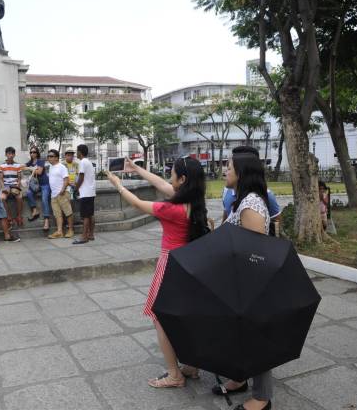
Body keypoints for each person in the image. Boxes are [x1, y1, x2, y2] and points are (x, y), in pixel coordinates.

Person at [105, 156, 209, 389]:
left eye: (172, 173)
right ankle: (191, 366)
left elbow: (138, 204)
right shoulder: (194, 201)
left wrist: (117, 184)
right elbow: (161, 184)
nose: (168, 177)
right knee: (183, 319)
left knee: (160, 320)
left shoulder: (172, 209)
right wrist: (136, 169)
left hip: (170, 265)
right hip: (187, 265)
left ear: (182, 179)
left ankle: (174, 375)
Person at [212, 151, 273, 410]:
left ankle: (262, 398)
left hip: (250, 284)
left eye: (228, 166)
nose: (225, 170)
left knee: (256, 338)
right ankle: (239, 379)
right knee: (239, 335)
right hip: (237, 281)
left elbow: (254, 253)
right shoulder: (241, 201)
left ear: (242, 173)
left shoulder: (251, 206)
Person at [221, 146, 280, 236]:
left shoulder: (250, 206)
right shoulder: (243, 199)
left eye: (229, 169)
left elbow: (255, 247)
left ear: (240, 173)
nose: (225, 173)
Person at [47, 149, 74, 239]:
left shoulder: (61, 167)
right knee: (57, 214)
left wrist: (62, 190)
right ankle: (59, 232)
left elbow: (66, 179)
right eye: (48, 156)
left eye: (51, 156)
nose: (49, 158)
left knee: (68, 212)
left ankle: (70, 230)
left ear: (56, 157)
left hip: (62, 193)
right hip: (53, 195)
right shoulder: (51, 167)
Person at [73, 144, 96, 244]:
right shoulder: (88, 162)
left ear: (80, 152)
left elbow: (81, 178)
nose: (76, 153)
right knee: (90, 214)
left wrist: (76, 188)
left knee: (85, 216)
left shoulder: (82, 162)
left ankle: (84, 237)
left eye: (77, 151)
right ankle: (91, 234)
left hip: (85, 193)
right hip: (91, 192)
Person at [25, 147, 52, 232]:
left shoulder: (40, 161)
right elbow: (22, 167)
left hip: (44, 184)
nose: (32, 154)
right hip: (35, 185)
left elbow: (39, 172)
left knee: (44, 199)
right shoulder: (30, 162)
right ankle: (35, 210)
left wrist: (30, 168)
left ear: (37, 153)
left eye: (34, 152)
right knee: (28, 193)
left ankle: (46, 221)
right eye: (31, 152)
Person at [0, 146, 24, 227]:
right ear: (6, 154)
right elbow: (0, 179)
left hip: (14, 185)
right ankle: (9, 216)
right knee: (2, 198)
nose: (11, 155)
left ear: (14, 155)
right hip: (6, 185)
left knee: (19, 197)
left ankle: (19, 216)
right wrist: (3, 188)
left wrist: (17, 186)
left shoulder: (17, 165)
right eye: (9, 153)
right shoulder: (2, 166)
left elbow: (19, 178)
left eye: (12, 154)